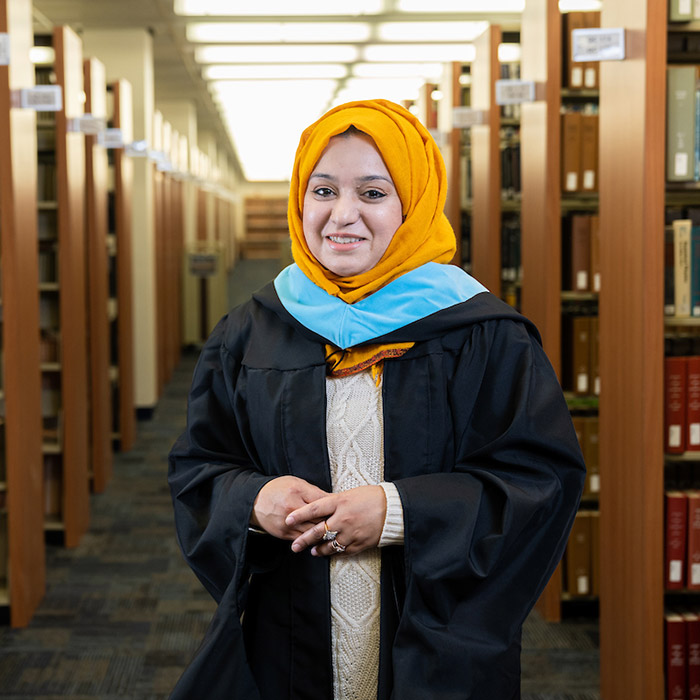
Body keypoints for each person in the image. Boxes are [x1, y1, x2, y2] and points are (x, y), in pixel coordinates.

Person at [168, 98, 585, 700]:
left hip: (435, 645)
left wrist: (398, 513)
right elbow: (199, 467)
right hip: (289, 638)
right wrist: (255, 500)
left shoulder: (483, 333)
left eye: (372, 193)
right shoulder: (250, 331)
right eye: (323, 191)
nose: (342, 216)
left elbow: (538, 483)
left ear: (412, 205)